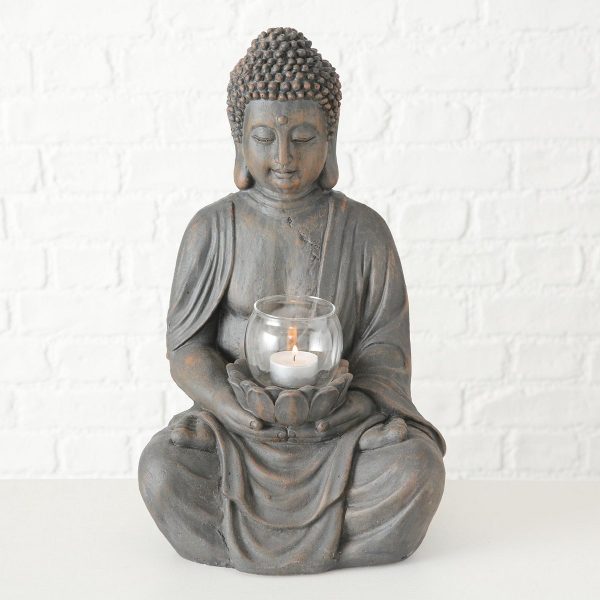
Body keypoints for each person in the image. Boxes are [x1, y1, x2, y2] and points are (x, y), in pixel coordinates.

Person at [138, 27, 445, 575]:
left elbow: (385, 354)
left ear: (330, 138)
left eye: (303, 137)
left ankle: (341, 538)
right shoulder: (214, 229)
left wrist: (351, 410)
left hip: (340, 432)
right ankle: (326, 540)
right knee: (163, 469)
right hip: (237, 433)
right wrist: (230, 409)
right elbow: (186, 348)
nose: (283, 157)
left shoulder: (365, 231)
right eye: (264, 138)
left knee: (415, 469)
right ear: (240, 142)